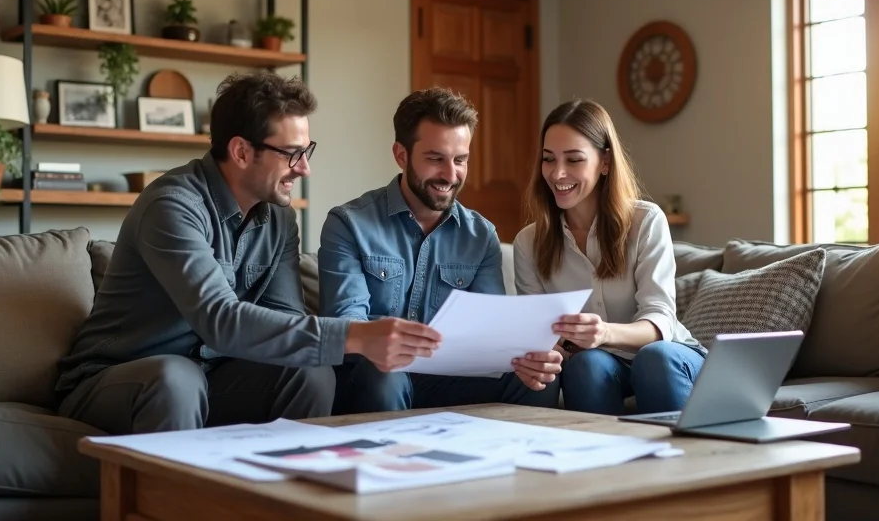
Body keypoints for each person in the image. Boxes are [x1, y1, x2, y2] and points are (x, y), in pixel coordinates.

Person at [55, 71, 440, 435]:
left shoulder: (279, 219)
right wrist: (355, 335)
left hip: (211, 376)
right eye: (291, 153)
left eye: (307, 151)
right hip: (116, 379)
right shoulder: (171, 205)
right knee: (177, 377)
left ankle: (290, 496)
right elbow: (219, 319)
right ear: (240, 151)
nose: (304, 169)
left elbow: (285, 318)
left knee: (310, 370)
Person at [318, 87, 562, 415]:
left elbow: (491, 331)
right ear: (401, 155)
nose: (450, 175)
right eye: (435, 159)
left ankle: (510, 464)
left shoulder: (481, 235)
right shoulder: (349, 224)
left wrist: (525, 355)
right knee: (385, 375)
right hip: (373, 376)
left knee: (535, 378)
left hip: (450, 379)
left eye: (460, 160)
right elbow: (347, 326)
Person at [512, 98, 706, 416]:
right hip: (600, 365)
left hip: (669, 358)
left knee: (653, 358)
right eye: (549, 159)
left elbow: (660, 320)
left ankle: (684, 463)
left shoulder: (646, 221)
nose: (558, 173)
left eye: (574, 160)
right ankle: (601, 463)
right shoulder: (528, 243)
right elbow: (539, 335)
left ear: (604, 162)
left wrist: (604, 332)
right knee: (585, 365)